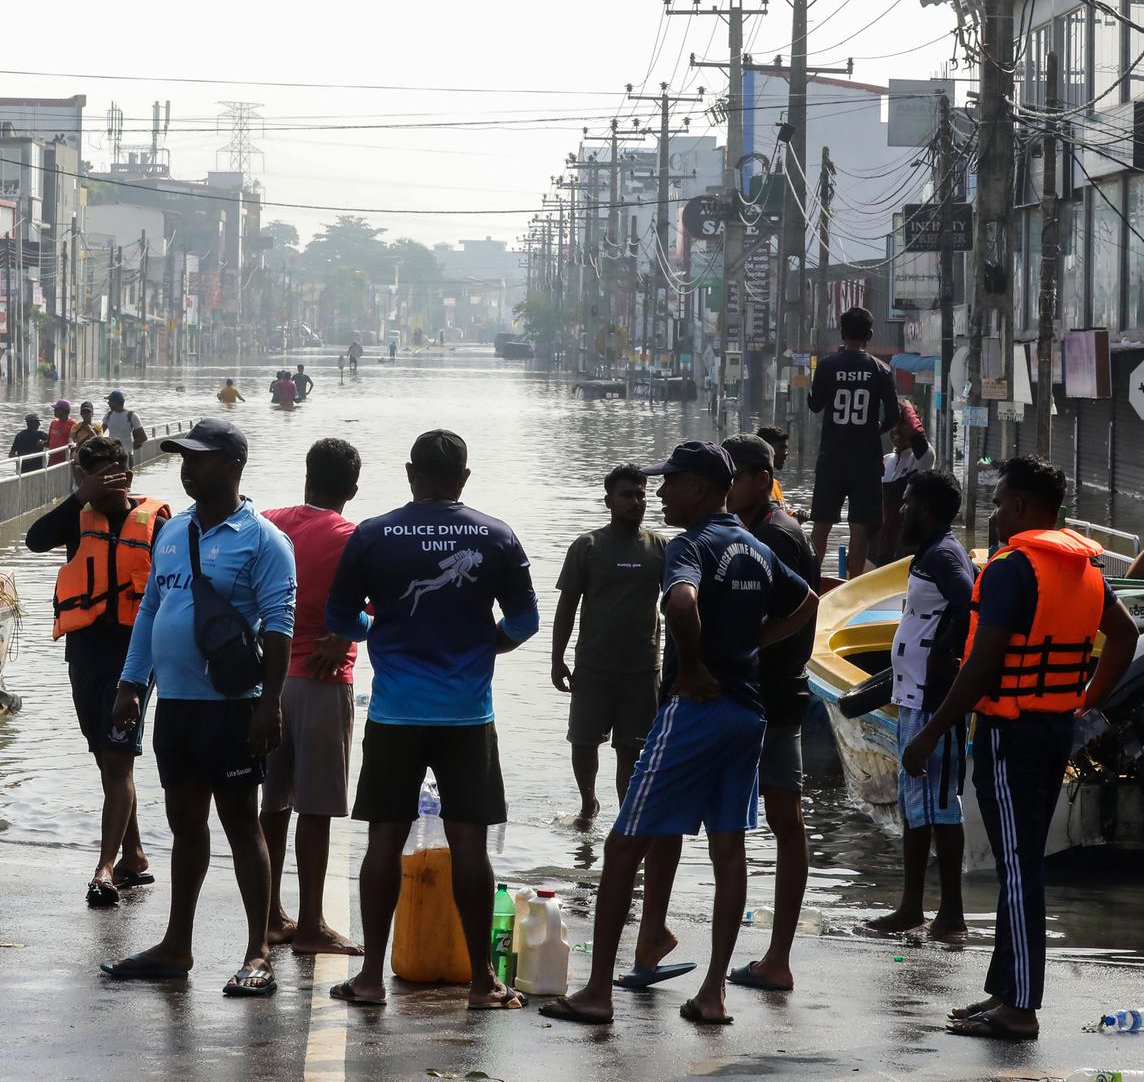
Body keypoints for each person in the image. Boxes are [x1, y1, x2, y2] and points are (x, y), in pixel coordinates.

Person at [540, 442, 817, 1028]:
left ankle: (597, 994)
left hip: (694, 712)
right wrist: (743, 648)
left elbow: (684, 604)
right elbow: (808, 603)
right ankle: (712, 993)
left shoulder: (690, 545)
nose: (660, 494)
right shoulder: (755, 546)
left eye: (670, 483)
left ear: (700, 488)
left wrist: (693, 666)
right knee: (728, 850)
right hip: (749, 713)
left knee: (622, 847)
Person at [903, 455, 1138, 1041]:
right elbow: (1126, 635)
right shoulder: (1081, 567)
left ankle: (1020, 1008)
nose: (998, 512)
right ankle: (1003, 992)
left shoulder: (1012, 569)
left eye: (1004, 501)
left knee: (1018, 863)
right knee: (1021, 857)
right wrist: (1084, 700)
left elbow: (982, 665)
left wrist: (931, 733)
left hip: (1011, 735)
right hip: (1054, 727)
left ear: (1024, 506)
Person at [324, 429, 539, 1010]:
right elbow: (525, 623)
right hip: (468, 713)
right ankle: (481, 982)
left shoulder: (373, 534)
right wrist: (484, 647)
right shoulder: (496, 535)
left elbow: (340, 617)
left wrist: (379, 633)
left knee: (385, 839)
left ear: (411, 473)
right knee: (471, 843)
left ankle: (370, 978)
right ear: (463, 478)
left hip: (395, 712)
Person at [103, 418, 296, 997]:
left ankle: (257, 950)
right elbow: (150, 612)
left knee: (241, 823)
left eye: (200, 458)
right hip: (178, 707)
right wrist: (133, 683)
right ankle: (177, 945)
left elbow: (281, 628)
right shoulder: (172, 531)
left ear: (233, 466)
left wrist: (269, 703)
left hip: (233, 707)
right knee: (186, 823)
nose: (187, 467)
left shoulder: (263, 539)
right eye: (183, 457)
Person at [26, 435, 171, 907]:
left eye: (116, 472)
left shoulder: (157, 521)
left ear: (128, 473)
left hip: (133, 654)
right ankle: (134, 854)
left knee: (117, 755)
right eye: (96, 475)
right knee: (103, 755)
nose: (110, 482)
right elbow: (33, 540)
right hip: (84, 652)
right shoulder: (77, 519)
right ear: (83, 477)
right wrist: (80, 496)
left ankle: (105, 867)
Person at [721, 433, 820, 993]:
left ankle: (776, 957)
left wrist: (745, 649)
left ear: (762, 478)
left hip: (770, 697)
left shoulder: (776, 536)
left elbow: (799, 609)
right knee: (775, 821)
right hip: (772, 693)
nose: (727, 488)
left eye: (735, 478)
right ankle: (769, 956)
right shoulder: (759, 529)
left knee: (779, 823)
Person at [262, 439, 366, 956]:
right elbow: (384, 611)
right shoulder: (352, 537)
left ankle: (267, 914)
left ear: (307, 475)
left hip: (266, 684)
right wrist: (348, 635)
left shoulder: (267, 521)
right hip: (322, 683)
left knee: (272, 803)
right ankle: (309, 926)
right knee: (316, 810)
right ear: (351, 488)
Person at [865, 469, 972, 943]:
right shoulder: (931, 553)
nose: (902, 509)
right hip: (916, 699)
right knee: (919, 806)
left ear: (926, 508)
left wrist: (945, 654)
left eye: (908, 502)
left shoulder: (946, 554)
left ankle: (945, 914)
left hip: (933, 704)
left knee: (940, 808)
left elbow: (968, 600)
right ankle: (913, 906)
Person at [552, 464, 666, 828]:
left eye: (641, 494)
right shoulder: (588, 546)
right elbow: (567, 605)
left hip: (642, 669)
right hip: (593, 666)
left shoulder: (660, 547)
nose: (636, 502)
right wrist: (557, 659)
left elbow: (681, 605)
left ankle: (626, 819)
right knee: (583, 742)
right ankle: (588, 805)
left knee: (632, 750)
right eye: (627, 495)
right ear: (609, 501)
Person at [807, 306, 900, 579]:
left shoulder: (827, 366)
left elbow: (814, 405)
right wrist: (873, 431)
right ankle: (852, 584)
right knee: (859, 525)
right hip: (866, 461)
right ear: (869, 334)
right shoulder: (880, 370)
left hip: (831, 458)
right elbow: (894, 416)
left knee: (821, 523)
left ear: (842, 333)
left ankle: (811, 581)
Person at [868, 399, 936, 569]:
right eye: (894, 425)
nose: (896, 431)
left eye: (903, 425)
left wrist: (907, 408)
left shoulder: (923, 459)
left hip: (906, 547)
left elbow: (919, 438)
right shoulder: (884, 461)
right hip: (879, 546)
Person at [755, 426, 806, 523]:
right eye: (781, 447)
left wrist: (797, 517)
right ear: (767, 449)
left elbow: (786, 515)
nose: (786, 453)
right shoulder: (754, 485)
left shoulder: (775, 484)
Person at [102, 391, 147, 468]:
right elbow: (100, 432)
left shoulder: (131, 416)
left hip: (126, 456)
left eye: (110, 401)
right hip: (112, 455)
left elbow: (143, 437)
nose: (108, 403)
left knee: (126, 478)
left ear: (116, 402)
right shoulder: (109, 415)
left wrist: (132, 445)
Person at [47, 400, 77, 466]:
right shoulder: (53, 423)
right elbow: (48, 443)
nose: (54, 410)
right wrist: (41, 443)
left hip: (65, 461)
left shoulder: (73, 424)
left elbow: (74, 444)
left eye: (56, 409)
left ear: (64, 411)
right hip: (52, 461)